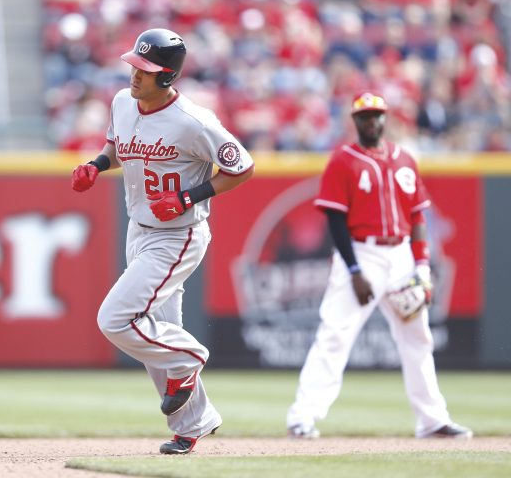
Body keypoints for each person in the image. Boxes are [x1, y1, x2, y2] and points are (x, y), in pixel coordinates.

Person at [71, 28, 254, 454]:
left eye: (146, 70)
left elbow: (242, 167)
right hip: (140, 228)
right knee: (159, 330)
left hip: (178, 234)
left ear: (168, 77)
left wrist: (191, 195)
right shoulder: (121, 102)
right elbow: (118, 148)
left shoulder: (194, 121)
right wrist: (97, 166)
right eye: (134, 64)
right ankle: (194, 423)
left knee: (116, 318)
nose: (135, 75)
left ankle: (188, 359)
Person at [286, 92, 473, 440]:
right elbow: (336, 221)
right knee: (334, 335)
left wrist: (422, 267)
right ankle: (302, 417)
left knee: (418, 338)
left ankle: (432, 420)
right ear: (355, 121)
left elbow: (418, 217)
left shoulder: (404, 159)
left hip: (401, 254)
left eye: (377, 115)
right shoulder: (343, 160)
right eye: (365, 116)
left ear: (386, 118)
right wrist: (354, 270)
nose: (371, 121)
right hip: (361, 252)